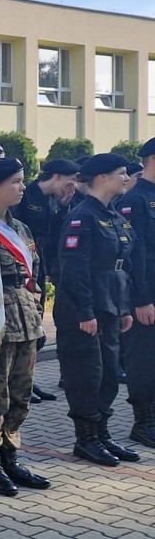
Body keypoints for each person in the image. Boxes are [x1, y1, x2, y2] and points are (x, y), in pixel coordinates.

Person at [54, 153, 139, 466]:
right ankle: (86, 439)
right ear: (102, 177)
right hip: (85, 309)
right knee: (86, 375)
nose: (126, 178)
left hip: (111, 304)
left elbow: (122, 265)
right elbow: (74, 269)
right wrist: (85, 312)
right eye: (121, 173)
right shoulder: (82, 217)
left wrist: (125, 307)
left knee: (108, 375)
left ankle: (102, 433)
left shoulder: (113, 215)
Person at [0, 157, 51, 495]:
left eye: (22, 180)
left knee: (21, 394)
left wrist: (37, 315)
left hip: (26, 321)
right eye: (15, 182)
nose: (23, 187)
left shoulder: (21, 228)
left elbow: (33, 276)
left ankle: (10, 457)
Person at [15, 158, 80, 402]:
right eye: (70, 180)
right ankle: (18, 383)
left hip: (40, 268)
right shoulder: (27, 195)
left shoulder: (55, 200)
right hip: (22, 268)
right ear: (57, 176)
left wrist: (64, 206)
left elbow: (58, 234)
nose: (73, 185)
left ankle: (28, 380)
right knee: (23, 328)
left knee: (36, 323)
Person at [117, 139, 155, 447]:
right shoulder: (135, 199)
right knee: (144, 359)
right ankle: (143, 422)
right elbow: (135, 255)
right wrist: (142, 299)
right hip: (147, 295)